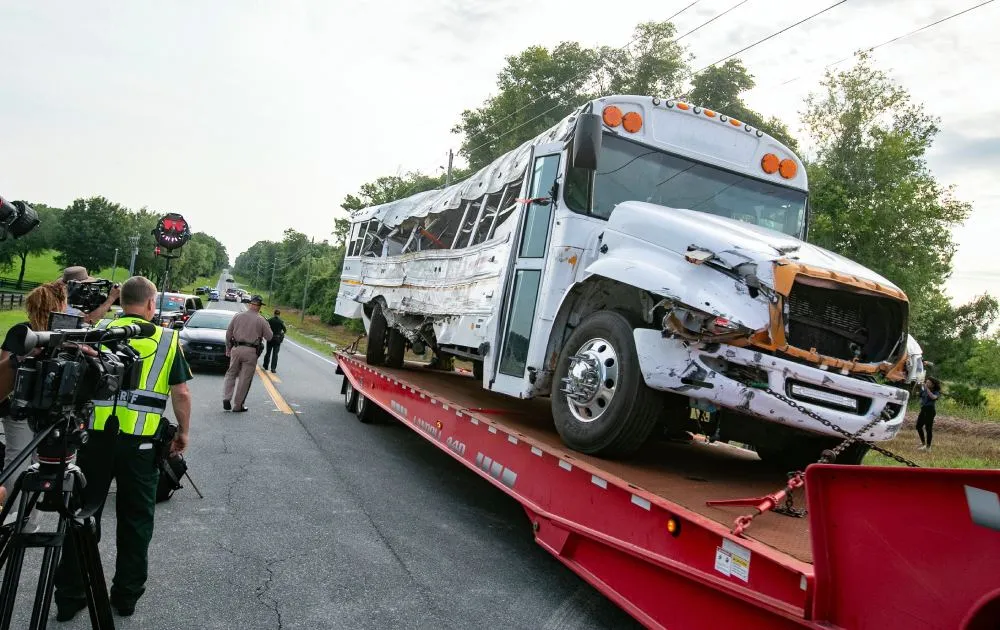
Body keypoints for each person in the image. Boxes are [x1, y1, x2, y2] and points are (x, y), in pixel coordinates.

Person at [54, 275, 193, 620]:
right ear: (151, 304)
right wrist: (183, 433)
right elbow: (181, 393)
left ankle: (70, 596)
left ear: (120, 301)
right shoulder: (166, 339)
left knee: (83, 516)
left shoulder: (98, 331)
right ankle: (126, 596)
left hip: (94, 440)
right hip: (141, 447)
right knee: (136, 522)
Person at [0, 281, 71, 532]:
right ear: (60, 305)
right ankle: (18, 522)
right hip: (30, 409)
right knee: (24, 465)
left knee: (24, 464)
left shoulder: (26, 332)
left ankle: (20, 522)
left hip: (28, 410)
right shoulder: (30, 335)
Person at [223, 295, 272, 412]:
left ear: (250, 304)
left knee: (231, 373)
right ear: (259, 307)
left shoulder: (238, 316)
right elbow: (269, 337)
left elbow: (229, 333)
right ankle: (238, 405)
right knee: (244, 379)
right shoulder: (261, 320)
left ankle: (226, 397)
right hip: (251, 351)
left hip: (236, 348)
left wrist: (228, 348)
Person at [916, 377, 941, 451]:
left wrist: (927, 389)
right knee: (918, 426)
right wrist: (916, 385)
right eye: (926, 382)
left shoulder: (936, 392)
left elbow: (933, 397)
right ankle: (923, 444)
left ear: (933, 385)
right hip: (923, 410)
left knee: (928, 428)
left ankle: (928, 447)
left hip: (930, 411)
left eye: (928, 383)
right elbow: (916, 394)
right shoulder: (924, 391)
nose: (926, 384)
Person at [262, 308, 287, 373]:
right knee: (275, 354)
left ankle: (265, 366)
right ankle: (273, 368)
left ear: (274, 313)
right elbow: (285, 330)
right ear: (279, 314)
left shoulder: (270, 320)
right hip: (277, 339)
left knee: (268, 352)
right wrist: (281, 333)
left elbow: (266, 328)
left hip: (270, 338)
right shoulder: (281, 321)